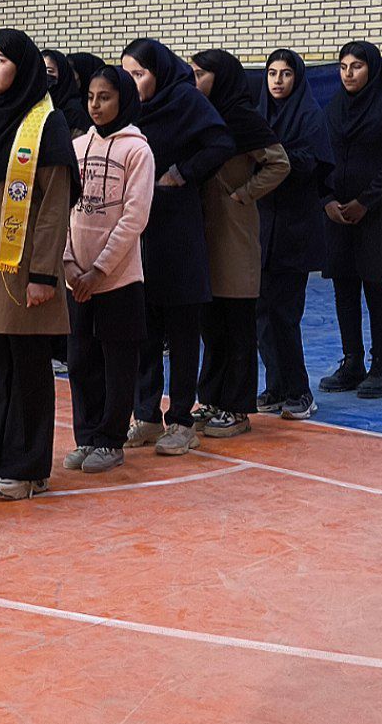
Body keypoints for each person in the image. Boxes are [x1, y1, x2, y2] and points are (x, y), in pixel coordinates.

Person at [0, 28, 77, 501]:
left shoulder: (47, 125)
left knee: (26, 373)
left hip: (24, 272)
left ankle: (28, 467)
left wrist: (44, 274)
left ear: (22, 69)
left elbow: (53, 207)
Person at [121, 38, 232, 456]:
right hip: (138, 228)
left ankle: (183, 418)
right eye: (127, 73)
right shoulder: (130, 111)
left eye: (140, 73)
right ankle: (146, 415)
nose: (133, 82)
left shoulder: (184, 99)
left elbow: (220, 142)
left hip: (178, 227)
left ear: (159, 72)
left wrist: (183, 173)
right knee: (143, 325)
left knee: (183, 327)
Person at [190, 48, 288, 437]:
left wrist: (243, 194)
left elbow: (279, 162)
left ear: (221, 77)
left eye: (201, 75)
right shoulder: (199, 116)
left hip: (234, 230)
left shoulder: (243, 117)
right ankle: (211, 398)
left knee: (237, 322)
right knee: (210, 324)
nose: (194, 82)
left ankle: (236, 407)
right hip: (201, 228)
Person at [64, 64, 152, 473]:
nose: (96, 105)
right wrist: (68, 262)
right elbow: (61, 210)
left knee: (118, 363)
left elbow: (134, 219)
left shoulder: (138, 150)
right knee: (80, 360)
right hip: (75, 276)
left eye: (106, 97)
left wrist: (99, 271)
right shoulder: (77, 146)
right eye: (91, 97)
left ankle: (110, 439)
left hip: (117, 278)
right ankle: (86, 436)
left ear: (123, 100)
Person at [321, 39, 382, 399]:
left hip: (375, 215)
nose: (348, 74)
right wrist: (327, 199)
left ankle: (380, 367)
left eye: (356, 67)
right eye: (343, 67)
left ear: (371, 69)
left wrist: (365, 201)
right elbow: (321, 156)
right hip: (338, 216)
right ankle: (352, 362)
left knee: (377, 290)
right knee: (344, 288)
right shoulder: (333, 109)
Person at [256, 48, 334, 419]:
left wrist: (275, 156)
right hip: (260, 231)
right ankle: (276, 386)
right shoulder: (259, 115)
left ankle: (300, 391)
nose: (277, 80)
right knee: (262, 314)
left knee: (285, 314)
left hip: (295, 230)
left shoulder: (310, 116)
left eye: (285, 74)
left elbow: (313, 165)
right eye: (272, 73)